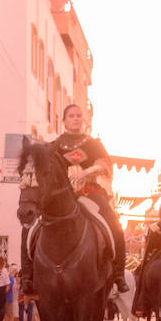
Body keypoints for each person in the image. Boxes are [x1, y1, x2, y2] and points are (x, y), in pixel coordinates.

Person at [52, 104, 128, 291]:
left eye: (79, 115)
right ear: (64, 120)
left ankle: (118, 273)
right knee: (34, 225)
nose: (76, 118)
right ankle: (30, 278)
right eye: (71, 115)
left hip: (91, 192)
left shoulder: (92, 144)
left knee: (116, 228)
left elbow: (104, 164)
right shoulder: (54, 145)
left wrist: (86, 173)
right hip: (63, 196)